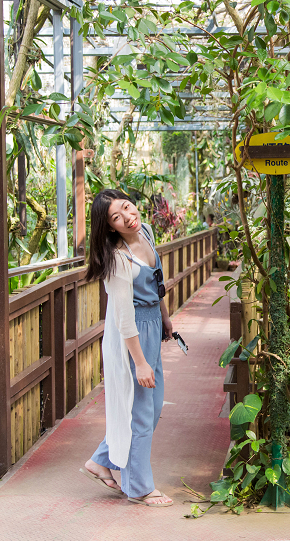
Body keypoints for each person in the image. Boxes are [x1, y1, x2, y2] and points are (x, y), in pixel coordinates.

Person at [79, 189, 175, 506]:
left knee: (152, 405)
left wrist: (165, 317)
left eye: (126, 208)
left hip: (151, 324)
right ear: (110, 228)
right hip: (132, 335)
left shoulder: (144, 230)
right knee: (142, 412)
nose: (127, 217)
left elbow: (157, 280)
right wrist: (141, 362)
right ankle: (138, 486)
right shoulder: (120, 258)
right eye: (117, 218)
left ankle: (101, 459)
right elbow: (123, 317)